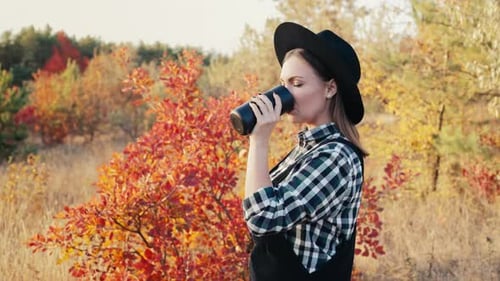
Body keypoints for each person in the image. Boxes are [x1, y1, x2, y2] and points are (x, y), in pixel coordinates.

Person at [242, 22, 368, 281]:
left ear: (330, 88)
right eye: (282, 84)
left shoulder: (336, 157)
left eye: (296, 84)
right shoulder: (307, 151)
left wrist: (259, 142)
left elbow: (262, 218)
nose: (284, 95)